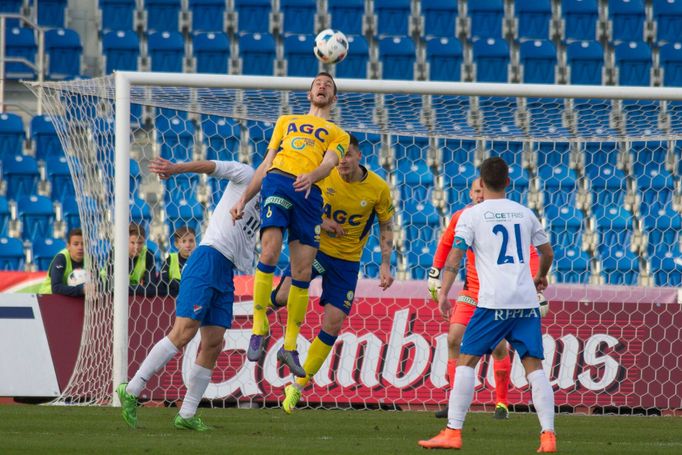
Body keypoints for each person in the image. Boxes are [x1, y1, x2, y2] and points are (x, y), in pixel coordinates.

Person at [418, 157, 556, 452]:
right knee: (535, 368)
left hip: (492, 300)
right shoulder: (524, 213)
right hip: (525, 301)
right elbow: (547, 252)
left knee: (466, 360)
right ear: (508, 182)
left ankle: (453, 432)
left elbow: (455, 256)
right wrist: (541, 276)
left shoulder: (473, 215)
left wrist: (444, 292)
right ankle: (548, 436)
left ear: (481, 182)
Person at [116, 157, 260, 431]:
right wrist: (175, 168)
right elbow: (211, 166)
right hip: (207, 258)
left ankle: (187, 413)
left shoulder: (275, 200)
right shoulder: (247, 174)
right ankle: (132, 389)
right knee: (184, 332)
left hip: (227, 270)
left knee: (214, 343)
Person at [231, 72, 350, 377]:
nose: (322, 86)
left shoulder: (338, 133)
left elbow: (328, 163)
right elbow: (267, 162)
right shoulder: (286, 121)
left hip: (311, 194)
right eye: (317, 83)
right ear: (309, 93)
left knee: (301, 272)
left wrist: (314, 176)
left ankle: (289, 346)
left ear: (333, 98)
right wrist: (244, 199)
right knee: (269, 251)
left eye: (328, 85)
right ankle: (260, 326)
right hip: (280, 182)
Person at [269, 134, 395, 413]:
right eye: (339, 156)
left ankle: (297, 386)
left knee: (334, 323)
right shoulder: (323, 177)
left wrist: (386, 263)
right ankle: (271, 298)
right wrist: (323, 221)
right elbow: (299, 206)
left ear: (359, 156)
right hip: (315, 249)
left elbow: (386, 225)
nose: (343, 161)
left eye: (348, 155)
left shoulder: (378, 188)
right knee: (283, 296)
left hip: (347, 261)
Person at [428, 179, 541, 420]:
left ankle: (501, 403)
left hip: (496, 295)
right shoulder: (464, 216)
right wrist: (435, 274)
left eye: (483, 190)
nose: (480, 195)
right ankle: (454, 400)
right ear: (470, 193)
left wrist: (534, 283)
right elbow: (447, 245)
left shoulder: (505, 217)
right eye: (476, 191)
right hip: (471, 293)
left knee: (499, 347)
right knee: (453, 339)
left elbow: (530, 253)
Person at [39, 227, 87, 296]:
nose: (80, 247)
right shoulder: (61, 258)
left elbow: (99, 285)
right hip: (48, 298)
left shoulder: (90, 260)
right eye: (76, 244)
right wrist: (81, 290)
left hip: (71, 298)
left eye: (83, 244)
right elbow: (56, 288)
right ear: (68, 246)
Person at [160, 226, 197, 297]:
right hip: (172, 302)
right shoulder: (170, 259)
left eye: (191, 241)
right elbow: (162, 283)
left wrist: (175, 283)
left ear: (195, 242)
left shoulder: (199, 261)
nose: (188, 245)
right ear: (176, 244)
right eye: (183, 241)